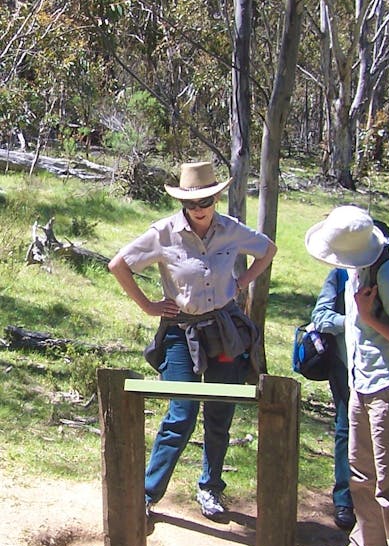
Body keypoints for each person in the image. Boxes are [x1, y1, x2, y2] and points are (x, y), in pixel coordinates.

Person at [108, 160, 277, 519]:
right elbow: (118, 265)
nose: (199, 210)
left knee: (220, 412)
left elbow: (268, 250)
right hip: (181, 332)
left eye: (206, 202)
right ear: (182, 203)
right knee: (181, 413)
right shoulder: (163, 233)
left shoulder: (231, 230)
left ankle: (211, 488)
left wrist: (242, 283)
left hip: (224, 330)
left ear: (216, 198)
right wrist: (149, 306)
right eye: (191, 204)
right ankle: (148, 494)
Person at [305, 205, 389, 546]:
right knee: (361, 470)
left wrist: (370, 316)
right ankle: (367, 545)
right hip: (361, 380)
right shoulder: (357, 266)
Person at [311, 267, 355, 532]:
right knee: (346, 429)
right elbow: (320, 316)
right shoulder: (340, 275)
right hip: (344, 365)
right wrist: (353, 321)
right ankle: (345, 502)